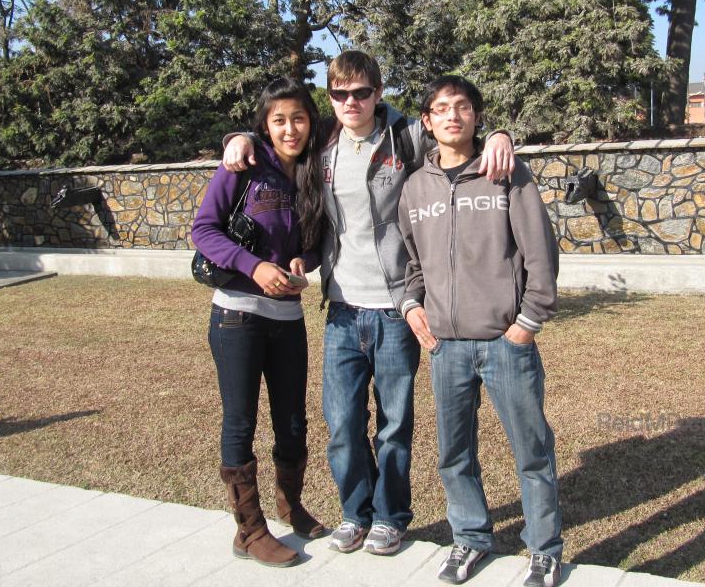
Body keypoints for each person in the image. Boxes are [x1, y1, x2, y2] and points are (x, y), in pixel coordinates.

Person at [222, 51, 514, 557]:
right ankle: (355, 513)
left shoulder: (406, 136)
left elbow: (454, 134)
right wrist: (237, 138)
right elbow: (275, 141)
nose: (351, 102)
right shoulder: (322, 144)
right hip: (341, 309)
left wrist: (498, 136)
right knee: (342, 423)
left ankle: (390, 516)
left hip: (397, 308)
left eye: (361, 92)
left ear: (378, 93)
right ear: (330, 98)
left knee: (395, 423)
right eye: (339, 94)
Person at [397, 76, 563, 587]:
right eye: (441, 109)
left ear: (475, 116)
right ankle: (469, 540)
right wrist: (411, 305)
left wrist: (526, 324)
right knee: (454, 453)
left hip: (504, 343)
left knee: (531, 449)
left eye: (462, 107)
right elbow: (411, 262)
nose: (452, 116)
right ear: (427, 121)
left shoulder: (506, 174)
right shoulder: (414, 188)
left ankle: (544, 549)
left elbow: (541, 255)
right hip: (445, 347)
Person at [191, 78, 326, 568]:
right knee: (240, 422)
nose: (290, 128)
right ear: (264, 126)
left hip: (287, 316)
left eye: (299, 118)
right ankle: (249, 530)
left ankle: (291, 505)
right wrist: (254, 266)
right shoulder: (244, 165)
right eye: (278, 119)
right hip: (237, 317)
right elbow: (202, 229)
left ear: (312, 122)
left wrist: (300, 263)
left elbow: (313, 241)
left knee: (292, 421)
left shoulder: (314, 172)